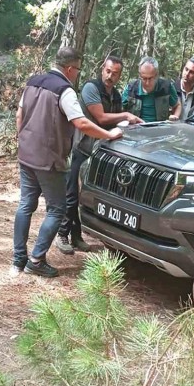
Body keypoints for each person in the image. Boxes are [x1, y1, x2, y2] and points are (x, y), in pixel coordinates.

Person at [13, 47, 123, 277]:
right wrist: (109, 134)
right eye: (78, 69)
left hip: (26, 155)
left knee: (25, 205)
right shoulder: (65, 91)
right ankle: (36, 259)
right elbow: (81, 123)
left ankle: (18, 259)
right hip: (49, 160)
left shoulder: (33, 82)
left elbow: (19, 114)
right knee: (57, 209)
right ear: (70, 68)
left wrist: (21, 138)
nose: (78, 74)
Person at [55, 56, 143, 254]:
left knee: (86, 195)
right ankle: (62, 233)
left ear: (120, 75)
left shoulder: (116, 96)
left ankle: (76, 236)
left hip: (101, 154)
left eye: (115, 73)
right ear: (103, 69)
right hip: (82, 149)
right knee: (71, 195)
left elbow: (114, 124)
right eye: (108, 71)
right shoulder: (90, 88)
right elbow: (101, 117)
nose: (110, 76)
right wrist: (126, 116)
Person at [122, 57, 181, 122]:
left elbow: (177, 105)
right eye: (144, 78)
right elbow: (120, 110)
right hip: (136, 128)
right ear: (140, 75)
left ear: (156, 75)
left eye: (150, 78)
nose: (147, 83)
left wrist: (175, 116)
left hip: (159, 128)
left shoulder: (166, 87)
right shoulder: (131, 88)